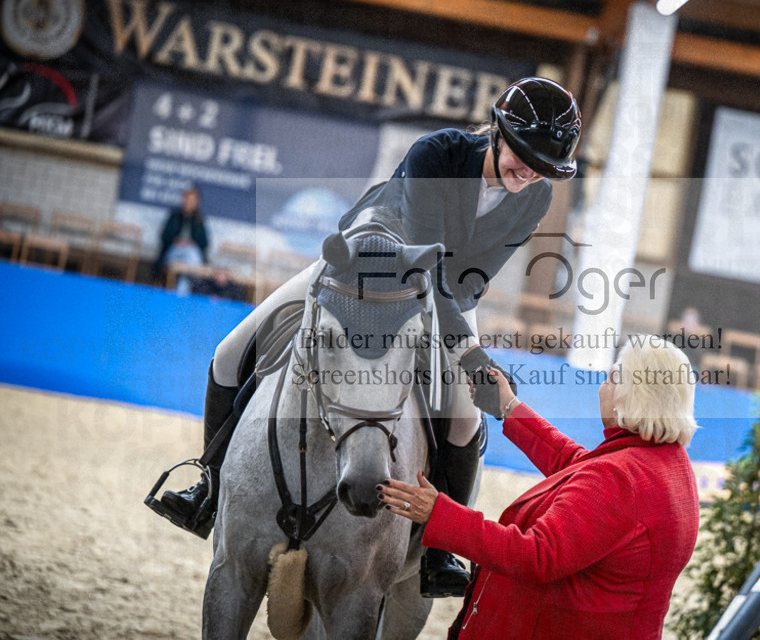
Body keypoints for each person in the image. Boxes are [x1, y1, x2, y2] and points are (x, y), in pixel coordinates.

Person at [155, 77, 582, 597]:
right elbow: (422, 260)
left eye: (543, 166)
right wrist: (470, 355)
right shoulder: (437, 153)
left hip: (447, 293)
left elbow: (473, 276)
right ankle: (210, 486)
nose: (530, 171)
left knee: (466, 418)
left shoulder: (533, 198)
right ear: (497, 131)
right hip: (363, 261)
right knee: (230, 353)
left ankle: (440, 549)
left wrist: (466, 356)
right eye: (523, 155)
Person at [379, 335, 700, 638]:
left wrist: (441, 515)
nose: (603, 386)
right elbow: (581, 469)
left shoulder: (620, 479)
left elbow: (535, 555)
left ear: (632, 398)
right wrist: (510, 409)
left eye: (613, 378)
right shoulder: (666, 462)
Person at [153, 187, 209, 295]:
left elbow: (204, 243)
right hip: (174, 252)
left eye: (192, 200)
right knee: (188, 262)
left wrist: (191, 242)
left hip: (189, 256)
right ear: (183, 200)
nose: (189, 203)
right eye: (187, 199)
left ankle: (180, 295)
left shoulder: (199, 218)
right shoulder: (175, 215)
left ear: (197, 202)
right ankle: (184, 295)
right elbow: (164, 237)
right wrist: (176, 240)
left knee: (188, 260)